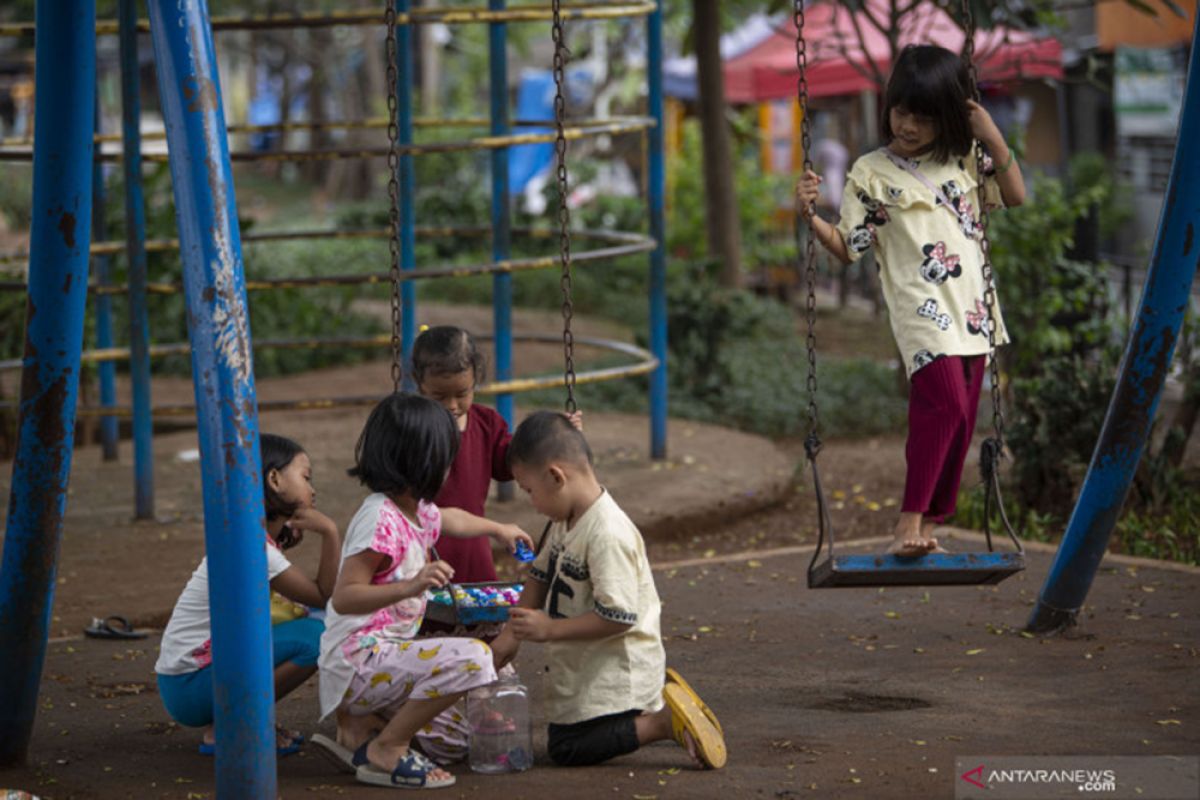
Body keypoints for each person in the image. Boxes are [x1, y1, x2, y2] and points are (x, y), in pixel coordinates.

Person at [796, 45, 1025, 558]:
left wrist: (991, 135)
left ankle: (930, 520)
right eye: (901, 111)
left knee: (963, 416)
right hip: (921, 308)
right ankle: (908, 522)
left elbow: (1014, 195)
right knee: (941, 402)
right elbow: (848, 248)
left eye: (923, 117)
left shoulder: (963, 160)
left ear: (947, 118)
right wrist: (810, 217)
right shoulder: (871, 173)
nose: (908, 125)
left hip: (971, 308)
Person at [317, 393, 535, 789]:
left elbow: (450, 519)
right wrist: (411, 586)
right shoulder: (379, 520)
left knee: (456, 740)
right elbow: (345, 597)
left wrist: (498, 528)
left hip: (386, 657)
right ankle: (388, 746)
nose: (450, 466)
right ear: (422, 460)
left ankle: (362, 725)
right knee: (473, 659)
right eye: (446, 456)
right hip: (360, 660)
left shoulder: (414, 508)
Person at [489, 411, 727, 769]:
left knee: (568, 749)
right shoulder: (563, 520)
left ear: (556, 477)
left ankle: (662, 721)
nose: (531, 502)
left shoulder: (607, 533)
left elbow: (618, 617)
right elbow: (539, 575)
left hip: (617, 671)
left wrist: (550, 629)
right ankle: (660, 707)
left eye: (529, 491)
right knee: (564, 734)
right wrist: (512, 635)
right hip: (588, 666)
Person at [154, 433, 347, 756]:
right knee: (318, 637)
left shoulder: (253, 537)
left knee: (312, 622)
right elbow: (324, 595)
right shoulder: (254, 547)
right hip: (191, 685)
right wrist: (330, 532)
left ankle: (241, 720)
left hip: (193, 680)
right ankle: (239, 723)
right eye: (305, 477)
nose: (313, 490)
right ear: (273, 479)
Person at [412, 325, 579, 583]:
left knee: (480, 612)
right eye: (439, 396)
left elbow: (515, 463)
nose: (452, 406)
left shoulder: (487, 424)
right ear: (419, 384)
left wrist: (558, 437)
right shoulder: (410, 427)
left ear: (475, 380)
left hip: (473, 544)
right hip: (422, 545)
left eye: (462, 394)